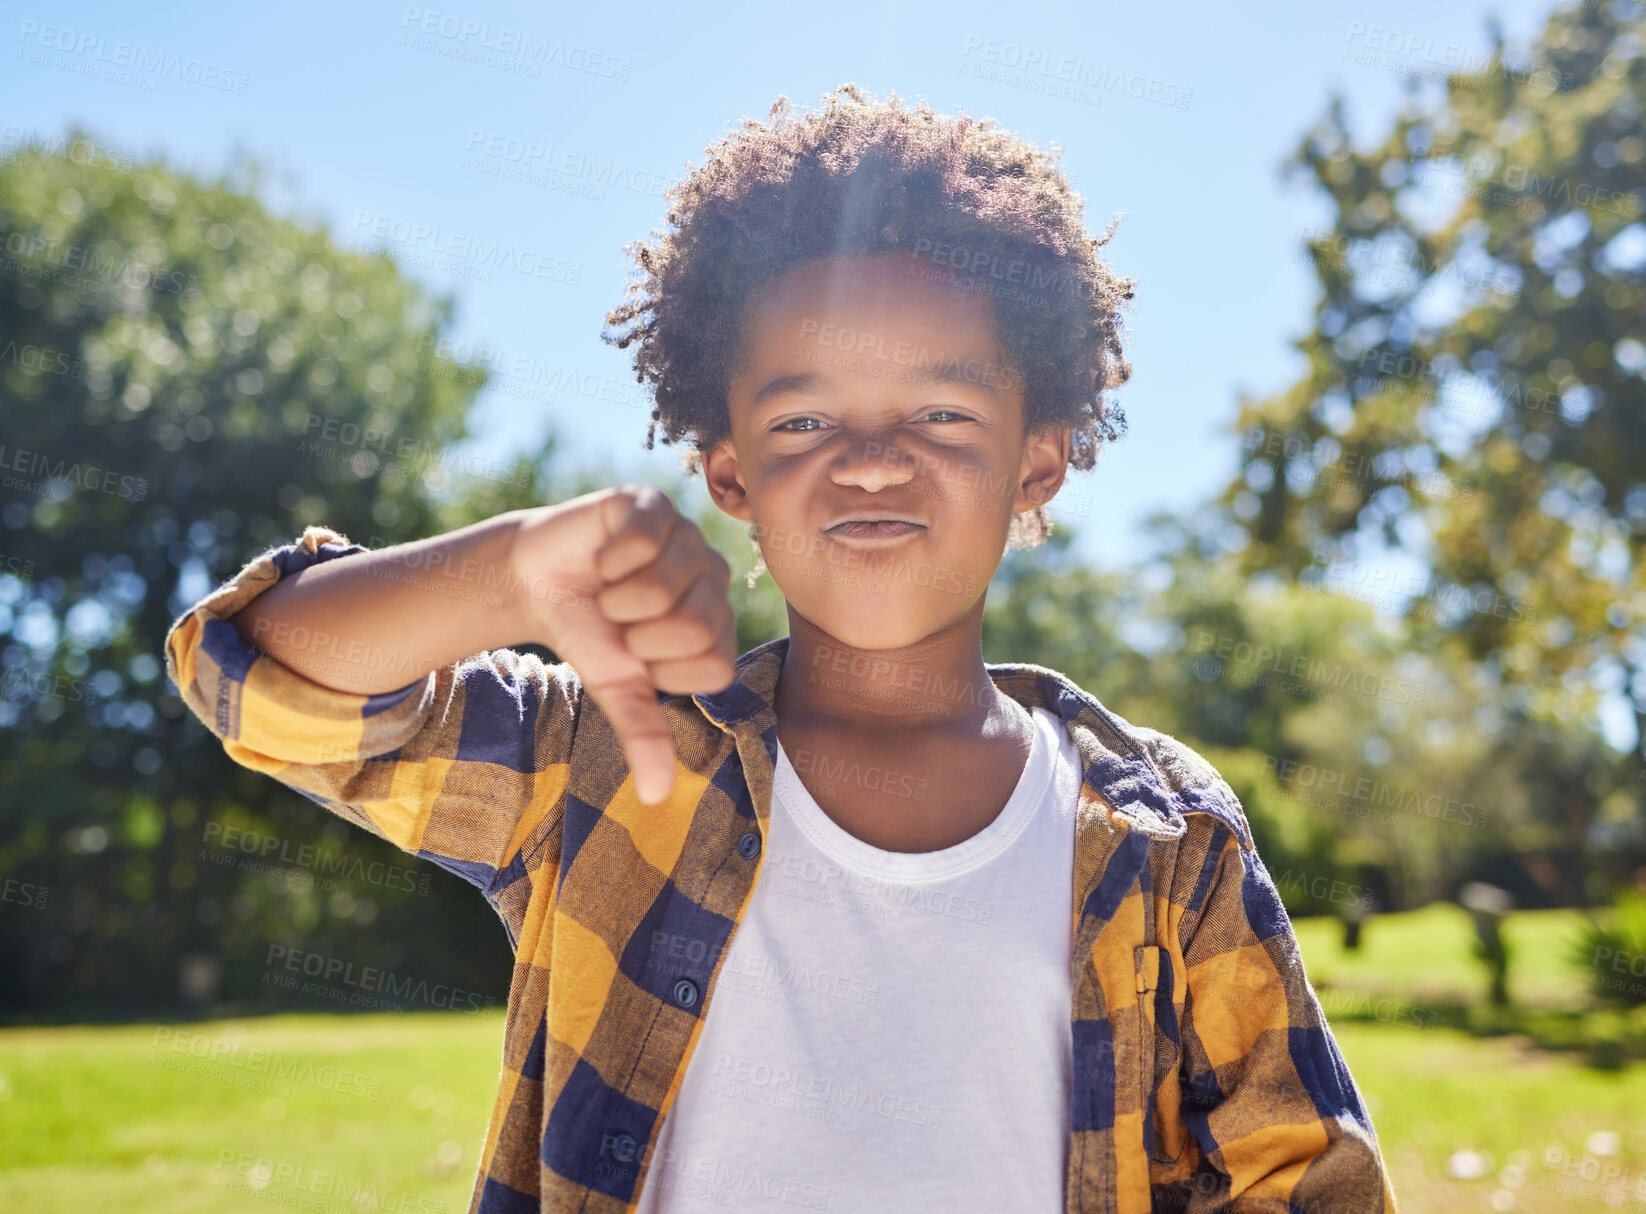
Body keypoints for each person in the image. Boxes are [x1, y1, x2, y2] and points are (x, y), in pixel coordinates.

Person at [164, 82, 1397, 1213]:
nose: (869, 456)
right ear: (729, 471)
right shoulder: (599, 758)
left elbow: (1304, 1180)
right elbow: (260, 681)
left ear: (1037, 458)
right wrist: (507, 569)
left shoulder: (1168, 839)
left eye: (941, 410)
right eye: (804, 416)